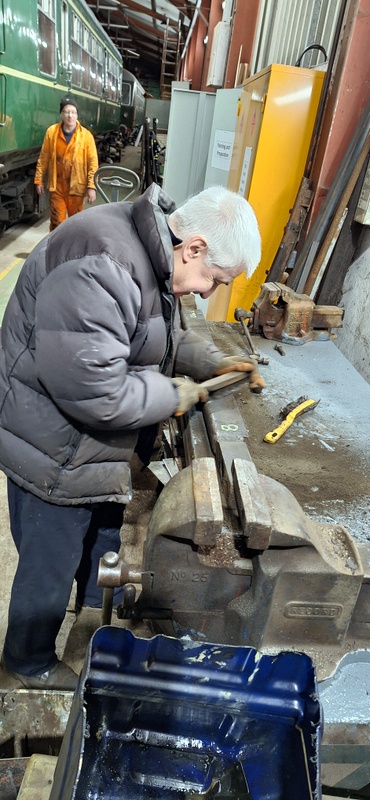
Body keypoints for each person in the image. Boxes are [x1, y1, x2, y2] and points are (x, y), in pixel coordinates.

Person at [0, 183, 264, 690]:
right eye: (215, 278)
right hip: (52, 452)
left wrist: (211, 362)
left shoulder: (149, 250)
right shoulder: (103, 264)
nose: (210, 292)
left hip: (89, 453)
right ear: (195, 248)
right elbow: (94, 390)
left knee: (100, 543)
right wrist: (174, 395)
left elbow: (149, 333)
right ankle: (25, 665)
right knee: (48, 569)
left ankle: (97, 621)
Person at [34, 95, 98, 231]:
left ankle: (74, 250)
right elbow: (43, 157)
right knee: (58, 223)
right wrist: (39, 180)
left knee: (76, 224)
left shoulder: (86, 136)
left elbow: (93, 164)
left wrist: (91, 186)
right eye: (67, 112)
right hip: (58, 187)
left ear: (77, 115)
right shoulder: (52, 133)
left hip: (77, 188)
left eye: (73, 112)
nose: (70, 116)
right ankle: (56, 250)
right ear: (61, 114)